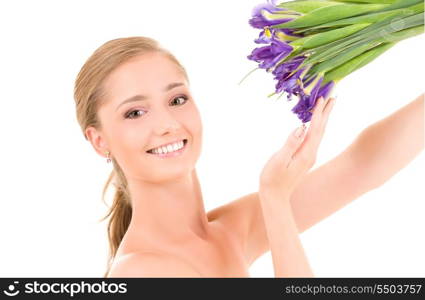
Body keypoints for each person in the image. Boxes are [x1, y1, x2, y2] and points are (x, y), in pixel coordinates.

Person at [73, 36, 424, 278]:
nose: (167, 124)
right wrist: (274, 198)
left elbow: (361, 166)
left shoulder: (226, 231)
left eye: (177, 100)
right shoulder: (142, 272)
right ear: (99, 140)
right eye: (135, 113)